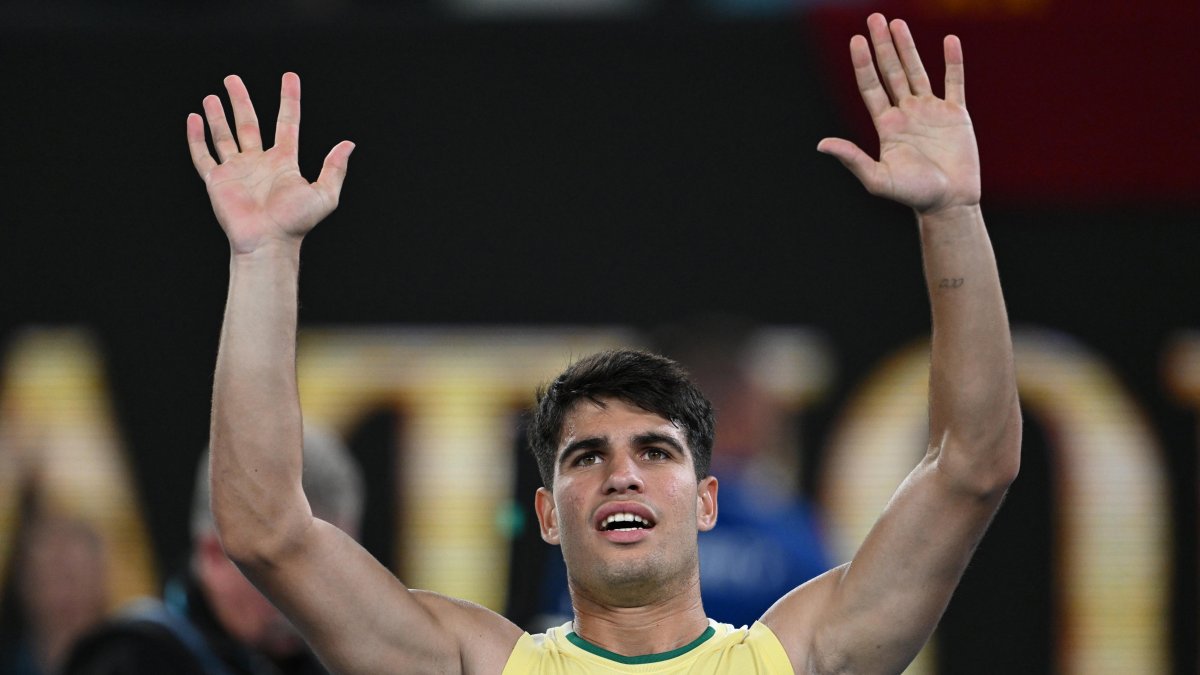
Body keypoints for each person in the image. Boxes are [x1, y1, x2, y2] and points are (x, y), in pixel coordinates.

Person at [185, 12, 1020, 674]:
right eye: (585, 456)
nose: (622, 471)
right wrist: (262, 259)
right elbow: (266, 531)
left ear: (707, 500)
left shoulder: (794, 659)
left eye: (655, 449)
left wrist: (953, 217)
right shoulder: (480, 666)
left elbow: (972, 466)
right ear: (547, 514)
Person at [63, 430, 364, 675]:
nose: (317, 598)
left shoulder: (336, 663)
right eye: (294, 572)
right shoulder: (130, 660)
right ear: (214, 553)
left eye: (333, 573)